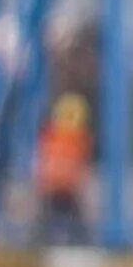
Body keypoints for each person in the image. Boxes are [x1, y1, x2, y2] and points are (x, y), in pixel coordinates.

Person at [35, 92, 92, 244]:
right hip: (59, 185)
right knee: (55, 218)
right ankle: (77, 240)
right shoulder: (72, 137)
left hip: (60, 186)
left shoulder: (56, 136)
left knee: (60, 217)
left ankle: (77, 240)